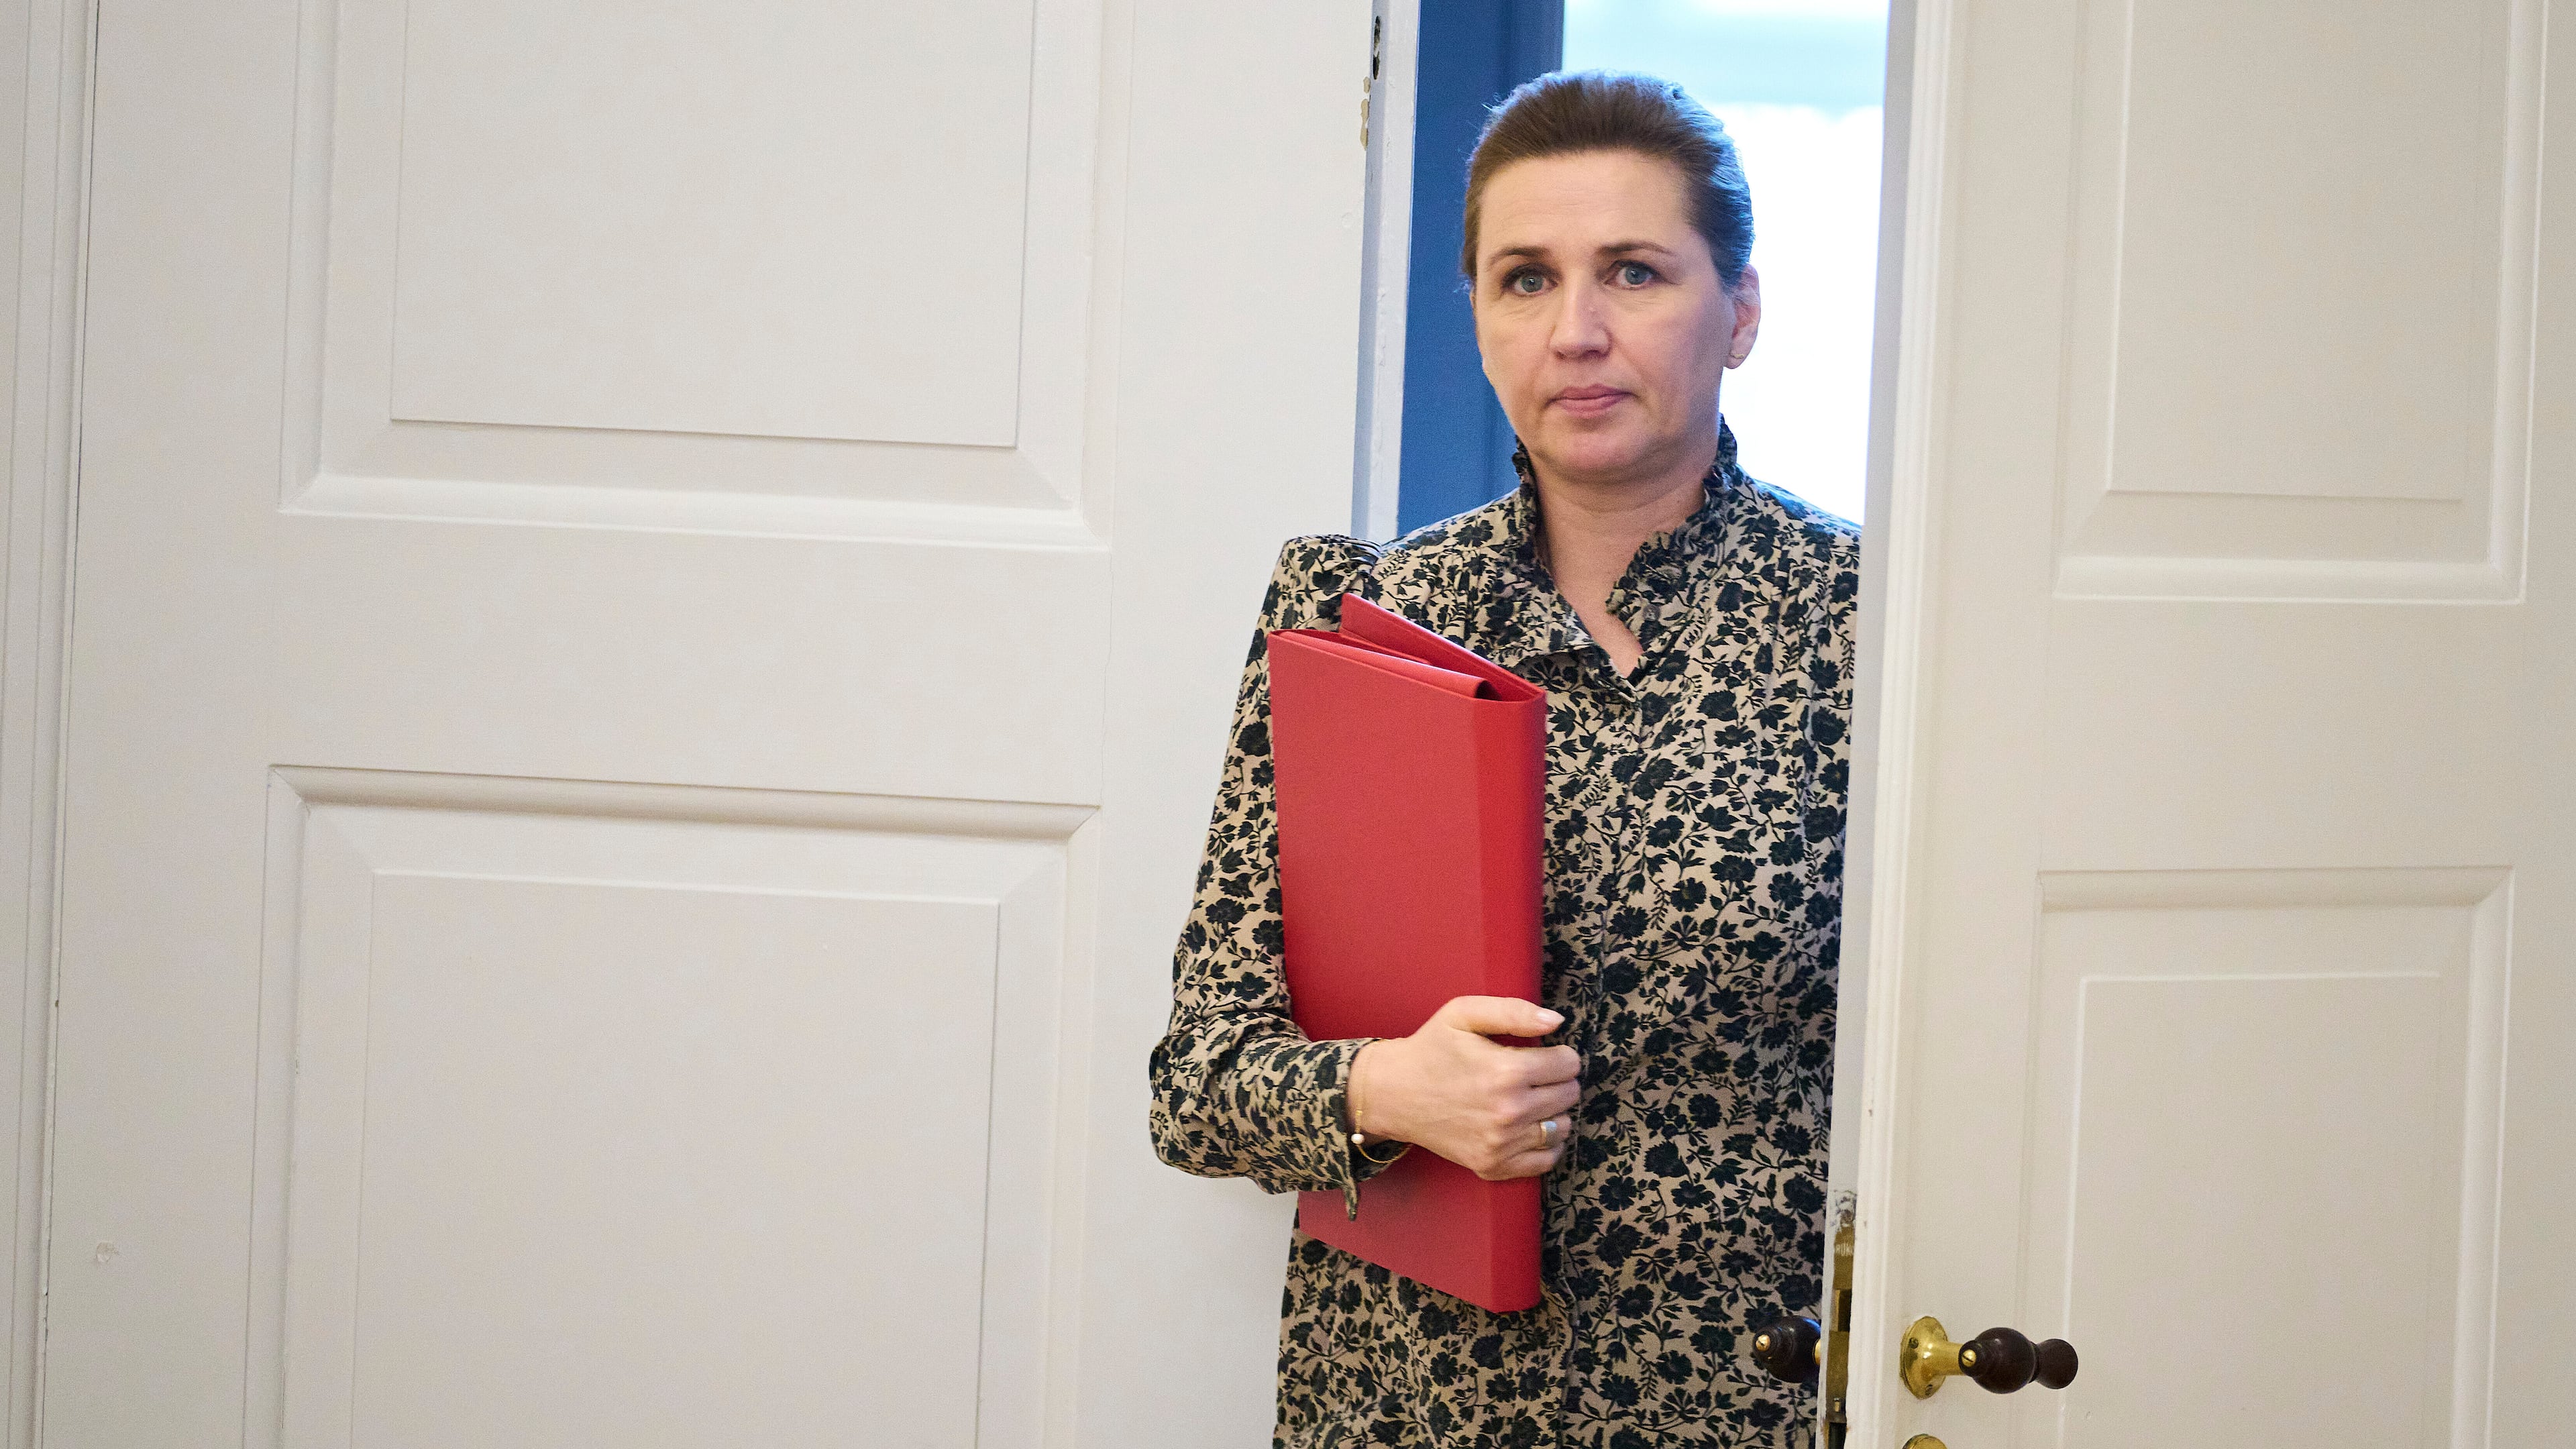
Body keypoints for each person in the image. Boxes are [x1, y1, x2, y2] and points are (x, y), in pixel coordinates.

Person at [1149, 70, 1857, 1448]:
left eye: (1636, 273)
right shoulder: (1362, 627)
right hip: (1414, 1407)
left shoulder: (1873, 628)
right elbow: (1201, 1082)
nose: (1578, 333)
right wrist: (1384, 1090)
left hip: (1742, 1408)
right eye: (1525, 279)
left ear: (1745, 314)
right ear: (1476, 317)